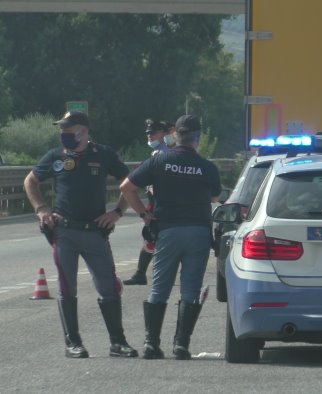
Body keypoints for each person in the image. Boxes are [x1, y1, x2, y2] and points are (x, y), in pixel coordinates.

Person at [23, 111, 138, 359]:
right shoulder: (55, 156)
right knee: (67, 288)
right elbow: (30, 180)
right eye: (61, 129)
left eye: (68, 129)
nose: (63, 134)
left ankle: (117, 343)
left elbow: (129, 181)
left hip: (95, 231)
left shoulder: (103, 153)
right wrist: (41, 209)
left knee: (108, 286)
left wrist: (117, 211)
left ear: (83, 131)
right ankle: (73, 343)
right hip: (64, 231)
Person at [120, 114, 221, 360]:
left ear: (175, 135)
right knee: (190, 289)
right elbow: (216, 198)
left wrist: (144, 214)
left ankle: (151, 344)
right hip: (197, 232)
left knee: (159, 288)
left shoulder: (160, 161)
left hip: (167, 231)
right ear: (197, 138)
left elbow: (126, 188)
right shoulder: (207, 167)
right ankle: (181, 345)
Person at [123, 119, 171, 286]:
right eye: (148, 133)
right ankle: (141, 274)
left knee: (158, 237)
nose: (149, 136)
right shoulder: (157, 153)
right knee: (151, 236)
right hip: (154, 201)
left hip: (161, 202)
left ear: (164, 134)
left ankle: (148, 274)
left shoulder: (164, 153)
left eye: (153, 133)